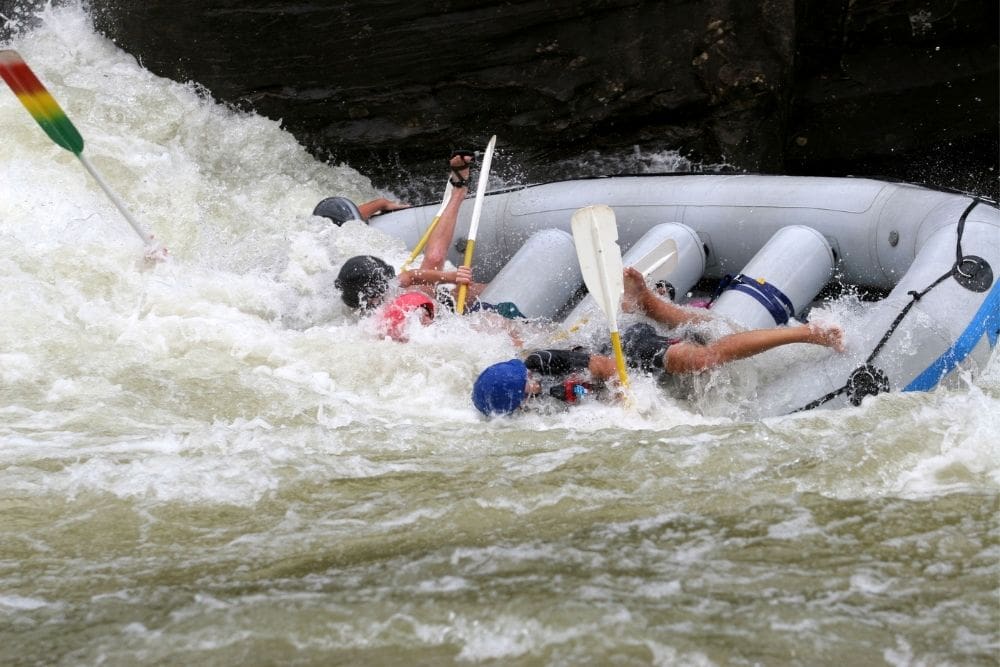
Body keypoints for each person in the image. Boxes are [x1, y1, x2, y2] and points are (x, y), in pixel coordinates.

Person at [472, 266, 846, 416]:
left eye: (527, 388)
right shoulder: (533, 402)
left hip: (625, 351)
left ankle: (808, 333)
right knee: (697, 324)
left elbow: (609, 368)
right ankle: (648, 303)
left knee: (702, 356)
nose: (532, 389)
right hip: (615, 349)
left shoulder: (543, 364)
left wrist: (623, 403)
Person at [335, 150, 488, 312]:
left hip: (435, 302)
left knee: (434, 257)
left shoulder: (388, 285)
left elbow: (410, 275)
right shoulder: (373, 319)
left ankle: (459, 190)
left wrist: (451, 277)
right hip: (428, 315)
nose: (390, 286)